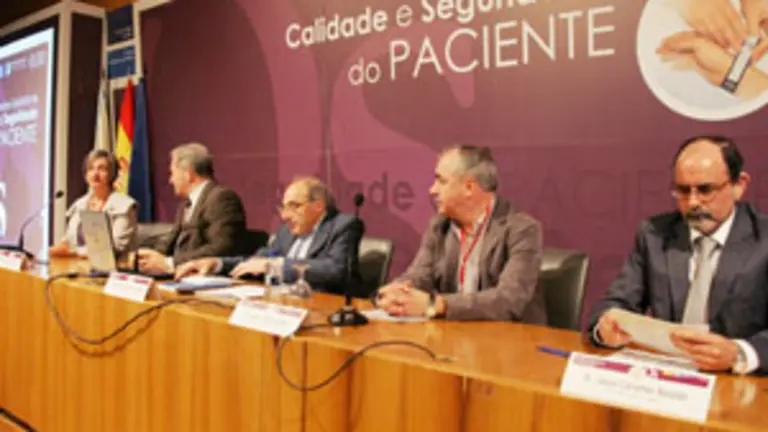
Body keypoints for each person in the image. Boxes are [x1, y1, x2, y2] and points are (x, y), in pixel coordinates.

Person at [588, 135, 768, 375]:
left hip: (741, 384)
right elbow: (614, 303)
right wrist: (605, 327)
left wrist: (739, 353)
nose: (693, 202)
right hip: (669, 377)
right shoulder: (655, 235)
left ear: (739, 185)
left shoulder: (763, 239)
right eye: (683, 191)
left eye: (705, 190)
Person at [375, 145, 546, 322]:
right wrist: (399, 291)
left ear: (469, 188)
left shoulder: (522, 230)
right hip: (455, 336)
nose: (432, 190)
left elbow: (509, 300)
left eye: (441, 181)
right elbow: (420, 275)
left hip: (510, 340)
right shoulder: (439, 226)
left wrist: (438, 304)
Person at [175, 176, 363, 294]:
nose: (285, 216)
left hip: (324, 310)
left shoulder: (344, 225)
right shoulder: (287, 231)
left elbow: (335, 270)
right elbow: (259, 259)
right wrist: (217, 263)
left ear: (318, 206)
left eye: (294, 206)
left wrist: (275, 265)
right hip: (285, 306)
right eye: (283, 207)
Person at [137, 143, 247, 274]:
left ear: (188, 173)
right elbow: (171, 242)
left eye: (172, 173)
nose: (170, 181)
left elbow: (221, 248)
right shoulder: (185, 204)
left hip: (205, 280)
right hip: (178, 275)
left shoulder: (222, 198)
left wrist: (170, 262)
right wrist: (147, 257)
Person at [50, 149, 137, 257]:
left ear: (112, 173)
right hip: (79, 266)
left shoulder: (124, 206)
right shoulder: (80, 205)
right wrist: (48, 252)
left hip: (115, 269)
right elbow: (68, 241)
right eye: (91, 169)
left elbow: (115, 248)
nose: (95, 174)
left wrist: (75, 252)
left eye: (102, 169)